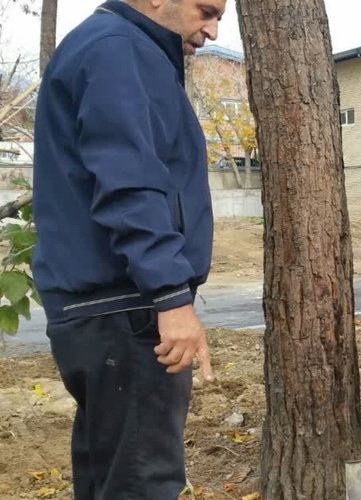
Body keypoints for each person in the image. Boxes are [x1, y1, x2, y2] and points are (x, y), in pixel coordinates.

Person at [31, 1, 225, 498]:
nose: (213, 29)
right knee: (142, 483)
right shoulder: (120, 50)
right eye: (206, 10)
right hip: (127, 310)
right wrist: (171, 296)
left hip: (100, 311)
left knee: (110, 478)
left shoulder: (108, 46)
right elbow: (130, 182)